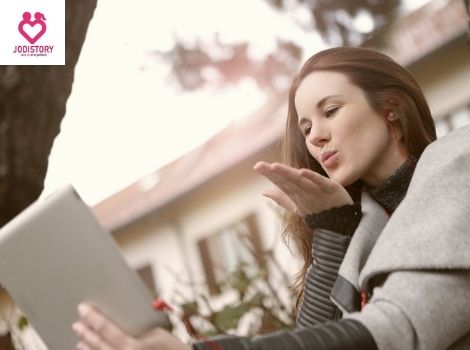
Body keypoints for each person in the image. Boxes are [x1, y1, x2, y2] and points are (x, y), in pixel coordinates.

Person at [72, 47, 470, 350]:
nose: (314, 136)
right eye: (307, 125)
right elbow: (317, 337)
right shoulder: (362, 223)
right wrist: (332, 229)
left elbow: (393, 327)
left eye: (330, 110)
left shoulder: (456, 163)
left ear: (391, 108)